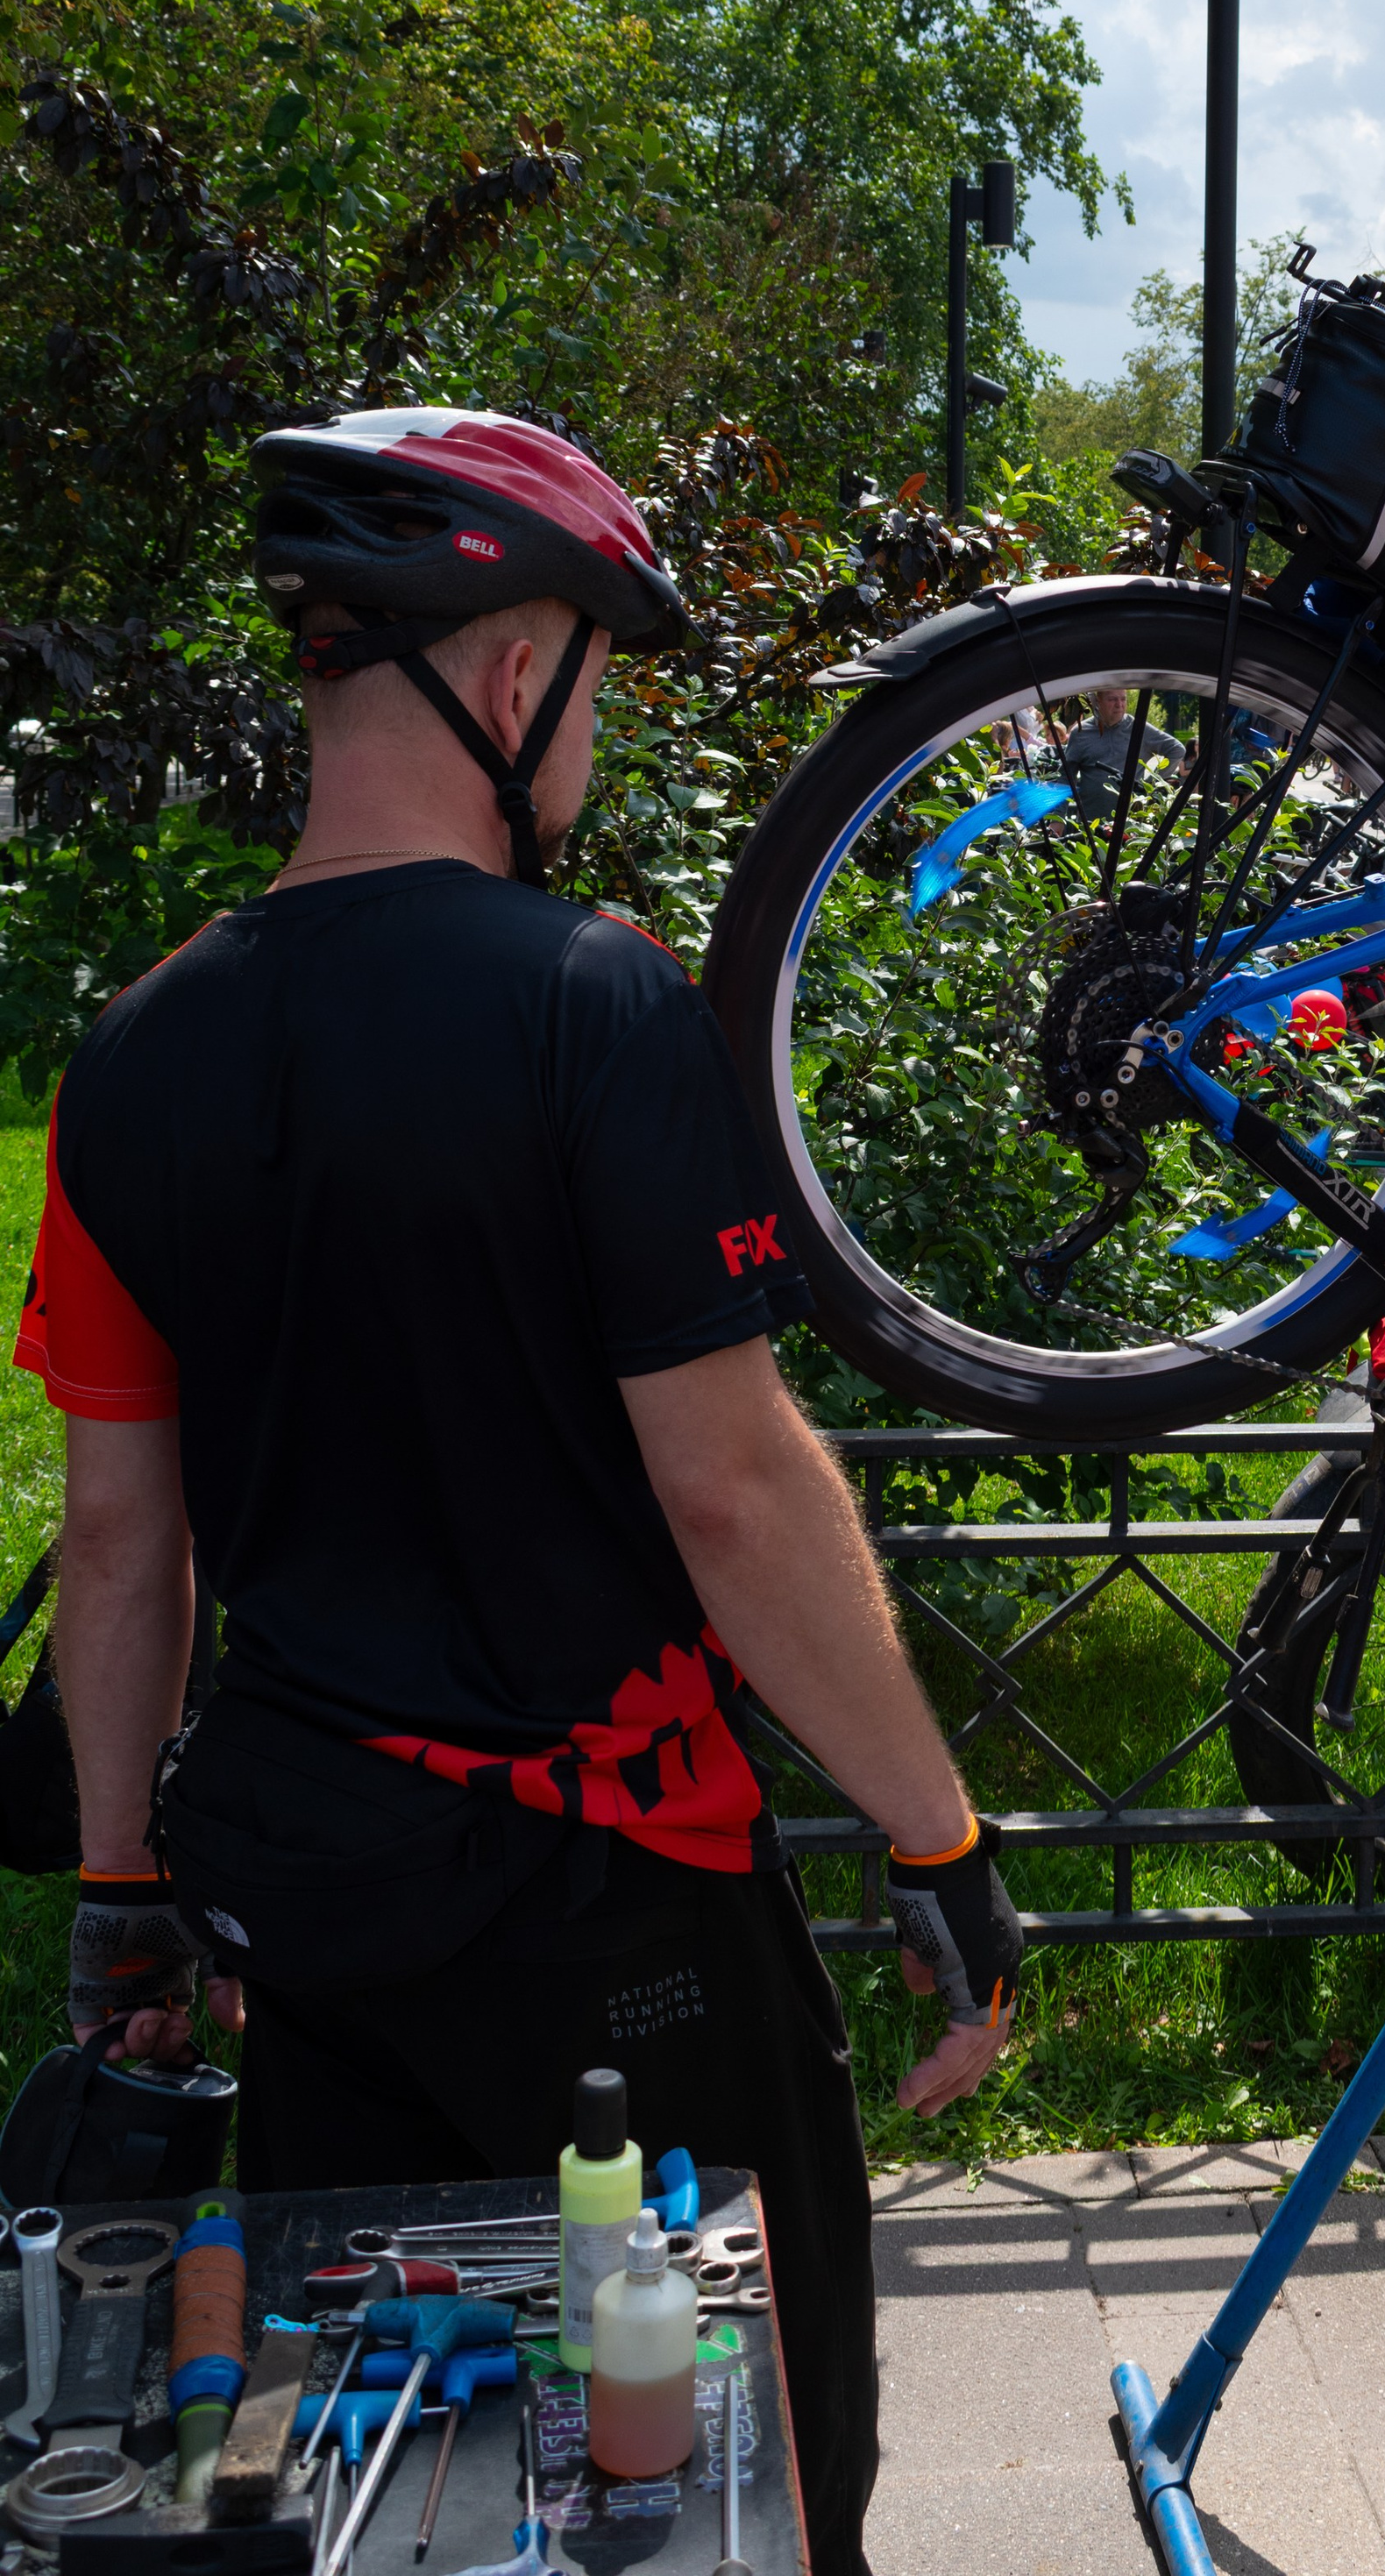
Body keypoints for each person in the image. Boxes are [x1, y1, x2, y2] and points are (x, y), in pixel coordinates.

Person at [23, 410, 1020, 2576]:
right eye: (595, 670)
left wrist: (118, 1882)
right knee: (718, 2487)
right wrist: (932, 1825)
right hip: (614, 1921)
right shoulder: (595, 1007)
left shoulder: (135, 1053)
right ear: (507, 680)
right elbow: (740, 1491)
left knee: (366, 2493)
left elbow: (124, 1544)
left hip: (309, 1912)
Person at [1060, 683, 1187, 805]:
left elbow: (1177, 750)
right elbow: (1066, 777)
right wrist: (1058, 818)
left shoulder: (1138, 728)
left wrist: (1151, 785)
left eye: (1123, 699)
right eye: (1112, 699)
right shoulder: (1081, 732)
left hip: (1132, 821)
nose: (1119, 704)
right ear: (1097, 702)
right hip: (1090, 820)